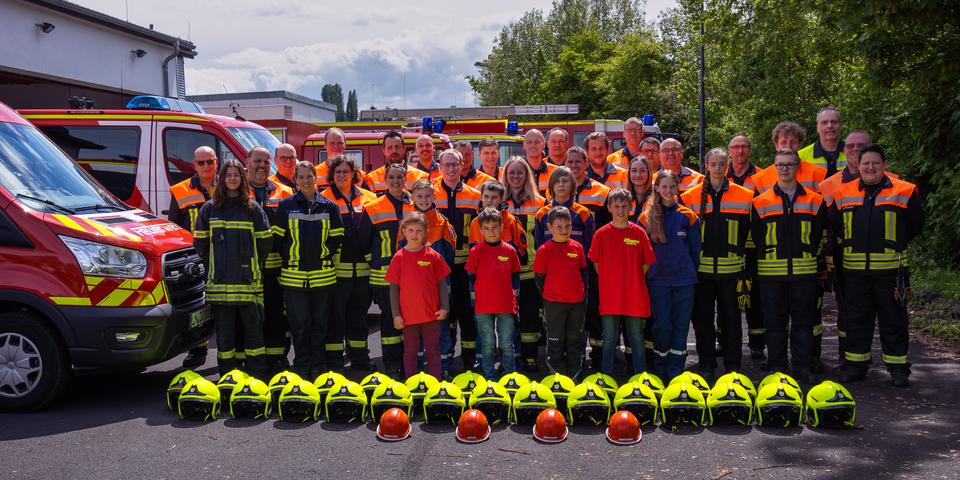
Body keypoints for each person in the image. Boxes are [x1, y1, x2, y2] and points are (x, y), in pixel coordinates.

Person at [833, 144, 923, 388]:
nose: (870, 167)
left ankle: (897, 369)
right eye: (865, 163)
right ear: (858, 166)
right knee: (856, 320)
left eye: (875, 162)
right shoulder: (843, 193)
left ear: (885, 164)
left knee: (893, 320)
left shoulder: (904, 190)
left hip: (891, 273)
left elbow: (915, 225)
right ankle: (856, 367)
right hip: (855, 272)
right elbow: (835, 227)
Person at [750, 149, 825, 384]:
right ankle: (777, 366)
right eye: (780, 165)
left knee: (803, 324)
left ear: (797, 167)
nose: (784, 169)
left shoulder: (814, 200)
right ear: (774, 167)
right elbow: (757, 235)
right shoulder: (760, 202)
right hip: (771, 274)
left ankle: (802, 367)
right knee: (774, 324)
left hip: (804, 273)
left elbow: (819, 234)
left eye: (789, 164)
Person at [193, 159, 272, 379]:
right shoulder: (210, 208)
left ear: (242, 178)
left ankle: (257, 376)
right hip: (219, 285)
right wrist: (213, 266)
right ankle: (227, 377)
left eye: (236, 174)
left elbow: (265, 242)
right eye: (228, 175)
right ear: (222, 179)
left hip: (248, 285)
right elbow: (200, 243)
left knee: (254, 335)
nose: (233, 178)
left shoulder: (252, 208)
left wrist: (254, 266)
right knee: (225, 338)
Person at [681, 148, 753, 379]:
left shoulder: (745, 195)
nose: (719, 168)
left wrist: (747, 268)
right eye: (714, 164)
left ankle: (733, 365)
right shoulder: (690, 197)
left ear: (728, 165)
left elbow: (750, 235)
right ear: (707, 166)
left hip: (732, 271)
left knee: (732, 320)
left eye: (723, 164)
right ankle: (707, 364)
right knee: (703, 321)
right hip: (701, 271)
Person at [274, 161, 344, 378]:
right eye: (301, 177)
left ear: (316, 177)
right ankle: (302, 365)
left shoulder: (329, 206)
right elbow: (278, 239)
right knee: (300, 325)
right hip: (293, 279)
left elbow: (337, 237)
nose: (305, 180)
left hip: (323, 278)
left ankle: (318, 365)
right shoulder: (285, 206)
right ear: (296, 180)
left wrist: (324, 254)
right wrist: (290, 257)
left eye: (309, 176)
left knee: (320, 325)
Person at [819, 129, 875, 366]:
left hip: (880, 257)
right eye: (850, 146)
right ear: (844, 151)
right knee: (847, 306)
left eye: (861, 146)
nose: (855, 150)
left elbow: (910, 223)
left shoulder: (890, 179)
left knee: (880, 312)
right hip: (841, 254)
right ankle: (848, 357)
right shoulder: (829, 184)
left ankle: (866, 358)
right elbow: (826, 220)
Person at [640, 171, 701, 381]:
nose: (668, 190)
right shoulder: (645, 217)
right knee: (662, 326)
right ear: (656, 188)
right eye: (663, 186)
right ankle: (660, 366)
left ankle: (676, 370)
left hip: (684, 281)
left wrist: (689, 274)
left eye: (671, 187)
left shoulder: (688, 216)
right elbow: (641, 252)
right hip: (658, 281)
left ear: (677, 188)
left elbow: (695, 251)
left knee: (682, 326)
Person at [588, 188, 656, 376]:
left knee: (636, 337)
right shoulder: (601, 234)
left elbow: (646, 264)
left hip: (634, 295)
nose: (620, 210)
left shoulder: (639, 233)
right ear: (609, 208)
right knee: (609, 338)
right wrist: (612, 280)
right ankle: (607, 376)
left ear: (631, 207)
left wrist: (630, 278)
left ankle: (641, 376)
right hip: (610, 296)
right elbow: (596, 263)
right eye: (616, 206)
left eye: (624, 206)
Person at [321, 156, 377, 371]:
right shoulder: (323, 199)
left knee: (359, 317)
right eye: (338, 172)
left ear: (354, 173)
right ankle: (334, 361)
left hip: (363, 270)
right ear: (331, 176)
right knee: (335, 318)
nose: (342, 175)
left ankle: (360, 357)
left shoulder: (369, 198)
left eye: (346, 171)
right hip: (336, 272)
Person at [361, 162, 415, 377]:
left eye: (399, 177)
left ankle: (409, 362)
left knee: (410, 320)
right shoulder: (374, 207)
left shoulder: (415, 204)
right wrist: (375, 263)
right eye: (391, 177)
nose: (395, 181)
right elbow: (364, 242)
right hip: (383, 276)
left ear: (405, 179)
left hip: (412, 276)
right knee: (390, 321)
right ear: (385, 180)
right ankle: (392, 364)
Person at [168, 145, 217, 368]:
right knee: (199, 306)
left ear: (216, 162)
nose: (206, 166)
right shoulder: (180, 190)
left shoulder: (227, 185)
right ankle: (198, 348)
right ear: (194, 165)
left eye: (210, 161)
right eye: (201, 162)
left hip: (222, 255)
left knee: (223, 304)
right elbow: (176, 228)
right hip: (195, 259)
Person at [246, 147, 294, 374]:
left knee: (276, 317)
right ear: (247, 162)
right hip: (246, 269)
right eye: (257, 161)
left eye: (265, 161)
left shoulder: (284, 192)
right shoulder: (236, 191)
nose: (262, 165)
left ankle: (277, 360)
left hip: (276, 269)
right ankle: (252, 362)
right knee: (249, 318)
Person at [387, 212, 451, 379]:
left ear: (425, 232)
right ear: (403, 231)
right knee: (410, 351)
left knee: (433, 350)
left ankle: (435, 384)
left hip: (432, 315)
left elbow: (442, 284)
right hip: (408, 317)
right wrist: (396, 315)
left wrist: (444, 307)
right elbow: (393, 288)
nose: (414, 234)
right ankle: (411, 384)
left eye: (419, 231)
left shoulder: (433, 256)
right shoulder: (398, 258)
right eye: (410, 230)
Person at [434, 149, 482, 372]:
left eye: (456, 164)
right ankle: (447, 356)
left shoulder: (475, 195)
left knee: (467, 311)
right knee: (445, 312)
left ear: (463, 166)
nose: (452, 169)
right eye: (447, 165)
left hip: (467, 266)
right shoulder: (430, 193)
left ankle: (469, 358)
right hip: (439, 266)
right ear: (440, 166)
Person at [563, 146, 609, 370]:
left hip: (593, 262)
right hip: (568, 266)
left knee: (595, 312)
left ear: (586, 163)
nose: (573, 166)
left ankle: (599, 357)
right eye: (569, 162)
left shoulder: (602, 192)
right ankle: (577, 356)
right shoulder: (556, 193)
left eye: (577, 162)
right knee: (575, 314)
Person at [501, 157, 547, 371]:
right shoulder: (499, 203)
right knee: (507, 319)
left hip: (530, 271)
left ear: (527, 176)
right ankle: (511, 358)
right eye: (512, 173)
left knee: (530, 317)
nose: (516, 177)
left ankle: (530, 358)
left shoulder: (540, 203)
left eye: (520, 173)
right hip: (504, 273)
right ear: (505, 176)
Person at [533, 206, 588, 379]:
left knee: (574, 338)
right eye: (559, 227)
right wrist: (550, 295)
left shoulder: (577, 248)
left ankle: (574, 373)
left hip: (576, 302)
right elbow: (539, 278)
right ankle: (555, 374)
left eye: (568, 226)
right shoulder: (544, 250)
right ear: (549, 228)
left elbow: (583, 273)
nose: (564, 230)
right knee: (555, 338)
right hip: (554, 302)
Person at [467, 208, 522, 380]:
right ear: (481, 230)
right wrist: (474, 300)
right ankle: (489, 375)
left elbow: (515, 278)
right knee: (488, 343)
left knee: (506, 342)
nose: (492, 232)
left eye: (495, 227)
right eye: (487, 228)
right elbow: (471, 277)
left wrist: (515, 301)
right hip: (483, 306)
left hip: (505, 305)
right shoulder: (476, 251)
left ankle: (509, 375)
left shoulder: (510, 251)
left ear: (502, 227)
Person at [726, 135, 765, 361]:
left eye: (744, 147)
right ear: (730, 151)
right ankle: (724, 340)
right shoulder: (720, 175)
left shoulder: (761, 177)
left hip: (753, 246)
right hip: (728, 247)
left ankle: (757, 343)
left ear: (749, 150)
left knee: (754, 297)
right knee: (727, 297)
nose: (740, 151)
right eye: (736, 147)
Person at [752, 122, 826, 195]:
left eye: (793, 142)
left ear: (800, 145)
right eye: (783, 142)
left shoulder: (817, 174)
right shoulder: (761, 179)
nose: (788, 146)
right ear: (776, 145)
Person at [535, 166, 596, 253]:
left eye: (565, 181)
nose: (561, 184)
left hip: (577, 265)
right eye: (557, 181)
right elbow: (539, 246)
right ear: (551, 186)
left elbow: (589, 247)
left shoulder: (583, 213)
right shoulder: (541, 214)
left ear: (572, 185)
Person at [468, 180, 526, 252]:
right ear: (481, 197)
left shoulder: (511, 220)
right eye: (486, 196)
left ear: (501, 199)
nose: (489, 200)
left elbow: (521, 250)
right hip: (484, 263)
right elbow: (472, 252)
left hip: (507, 262)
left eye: (494, 197)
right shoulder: (475, 222)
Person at [799, 106, 846, 176]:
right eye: (824, 122)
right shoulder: (801, 156)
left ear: (840, 125)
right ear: (817, 127)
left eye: (834, 122)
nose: (830, 126)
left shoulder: (855, 152)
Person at [523, 129, 557, 195]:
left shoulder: (555, 171)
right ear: (524, 145)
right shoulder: (517, 171)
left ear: (544, 144)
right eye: (529, 142)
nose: (533, 145)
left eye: (537, 142)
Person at [627, 156, 653, 223]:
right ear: (629, 173)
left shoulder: (657, 196)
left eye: (642, 171)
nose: (638, 175)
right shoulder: (623, 196)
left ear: (649, 173)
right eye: (634, 171)